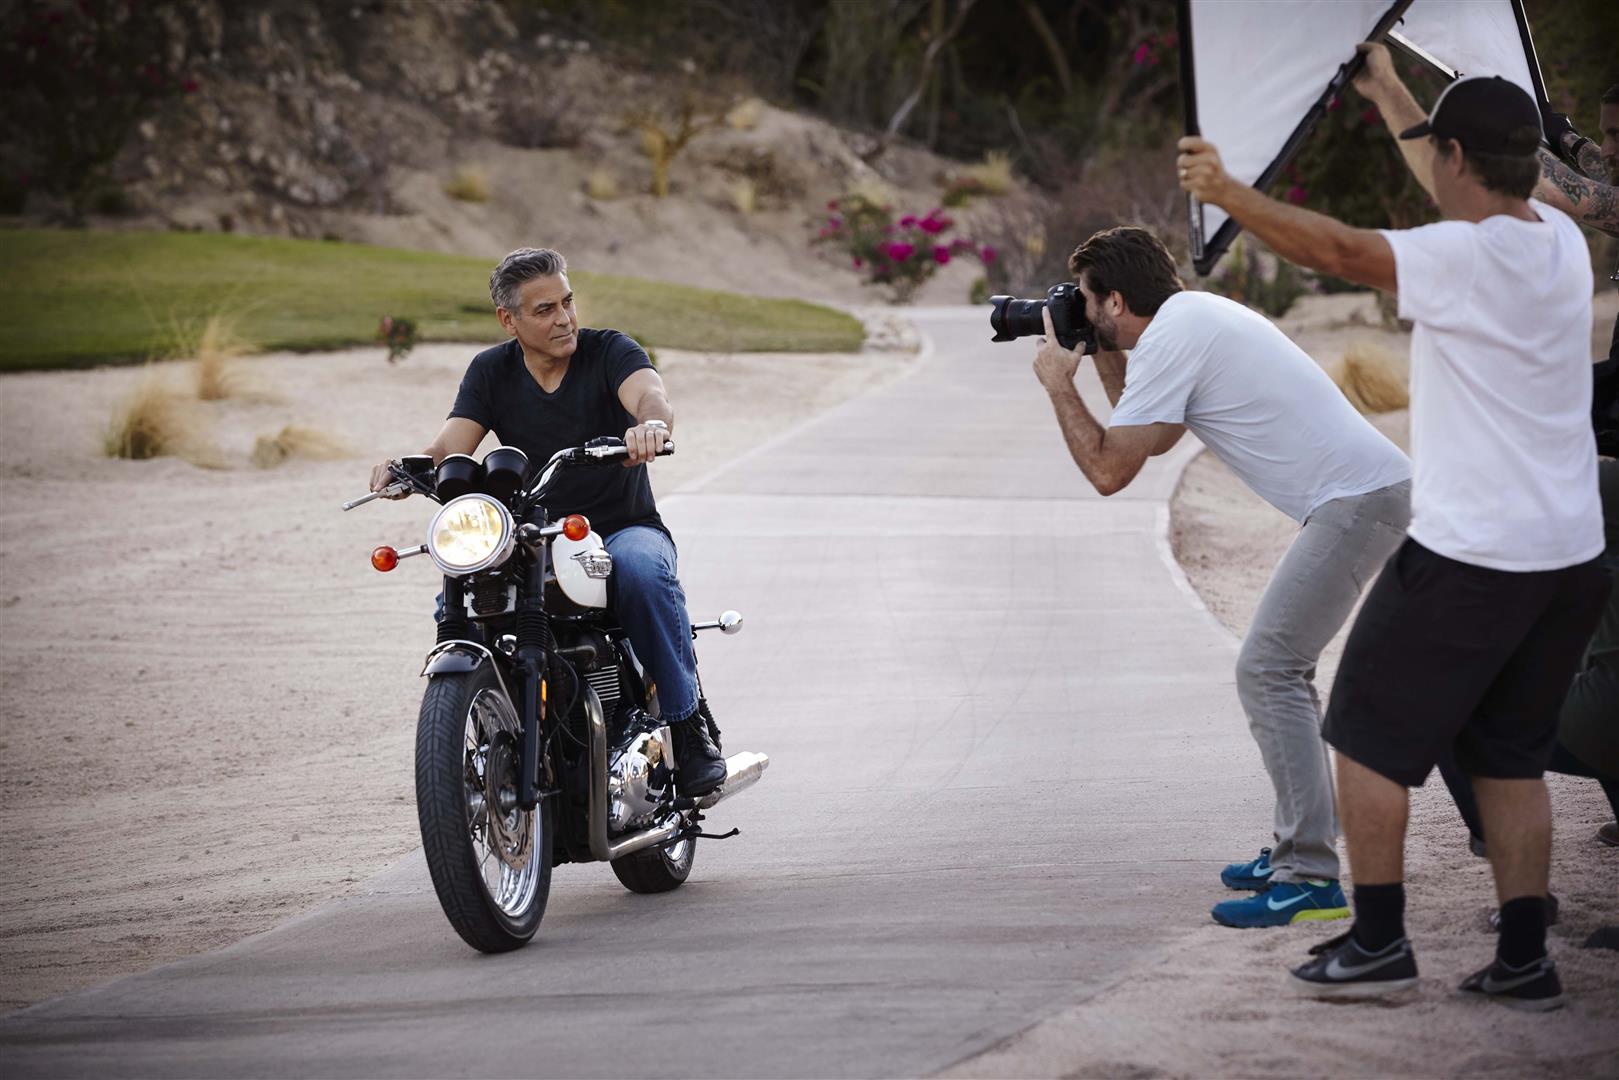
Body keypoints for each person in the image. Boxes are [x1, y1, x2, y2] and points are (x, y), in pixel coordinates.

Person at [1178, 58, 1609, 1009]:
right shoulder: (1560, 241)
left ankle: (1376, 943)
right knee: (1504, 754)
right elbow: (1462, 174)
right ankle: (1526, 959)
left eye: (1438, 151)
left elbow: (1336, 250)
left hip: (1471, 558)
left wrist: (1227, 194)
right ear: (1524, 163)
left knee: (1363, 737)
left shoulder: (1459, 259)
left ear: (1456, 159)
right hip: (1567, 556)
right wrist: (1385, 95)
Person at [1030, 225, 1411, 929]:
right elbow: (1152, 434)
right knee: (1277, 670)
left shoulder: (1178, 333)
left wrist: (1058, 386)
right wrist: (1105, 354)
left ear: (1113, 300)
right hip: (1361, 496)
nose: (1078, 315)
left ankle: (1310, 879)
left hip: (1356, 503)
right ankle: (1295, 848)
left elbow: (1112, 470)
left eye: (1085, 303)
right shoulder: (1186, 319)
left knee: (1267, 669)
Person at [368, 247, 729, 796]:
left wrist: (649, 426)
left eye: (567, 302)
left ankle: (688, 721)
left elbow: (651, 396)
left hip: (620, 526)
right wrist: (404, 469)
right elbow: (450, 447)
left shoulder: (610, 351)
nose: (563, 318)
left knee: (642, 571)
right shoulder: (491, 371)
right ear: (508, 320)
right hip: (533, 535)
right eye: (544, 310)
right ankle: (492, 722)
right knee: (460, 598)